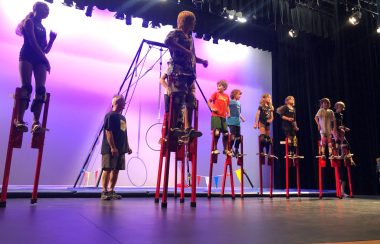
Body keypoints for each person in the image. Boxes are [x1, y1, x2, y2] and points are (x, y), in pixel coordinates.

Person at [164, 10, 208, 140]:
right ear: (185, 22)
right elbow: (167, 41)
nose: (194, 25)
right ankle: (173, 127)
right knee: (178, 98)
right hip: (178, 71)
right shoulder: (176, 33)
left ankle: (188, 127)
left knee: (190, 100)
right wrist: (185, 51)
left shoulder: (190, 38)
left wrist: (201, 61)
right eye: (192, 22)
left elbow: (192, 55)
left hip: (189, 74)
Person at [15, 1, 57, 132]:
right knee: (26, 87)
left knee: (41, 90)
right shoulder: (29, 22)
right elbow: (32, 43)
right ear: (36, 9)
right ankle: (19, 120)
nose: (47, 12)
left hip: (39, 59)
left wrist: (51, 40)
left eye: (48, 10)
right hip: (27, 55)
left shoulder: (42, 27)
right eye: (45, 9)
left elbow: (44, 49)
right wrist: (46, 60)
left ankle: (35, 123)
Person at [100, 95, 132, 200]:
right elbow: (108, 132)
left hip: (121, 149)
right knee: (107, 169)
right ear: (117, 103)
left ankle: (111, 190)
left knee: (116, 170)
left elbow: (124, 133)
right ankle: (104, 191)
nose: (124, 105)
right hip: (110, 149)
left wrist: (127, 146)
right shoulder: (110, 116)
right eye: (123, 103)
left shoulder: (123, 118)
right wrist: (113, 147)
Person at [334, 101, 354, 197]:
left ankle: (345, 155)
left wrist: (344, 128)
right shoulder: (334, 114)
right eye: (340, 107)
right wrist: (340, 128)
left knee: (346, 144)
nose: (341, 108)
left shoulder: (341, 115)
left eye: (342, 107)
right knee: (341, 173)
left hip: (340, 133)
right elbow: (334, 125)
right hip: (336, 132)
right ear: (337, 107)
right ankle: (341, 155)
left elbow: (340, 125)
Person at [208, 80, 230, 156]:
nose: (218, 87)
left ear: (224, 87)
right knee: (217, 132)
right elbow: (209, 101)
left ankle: (225, 149)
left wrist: (229, 113)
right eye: (217, 85)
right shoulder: (215, 94)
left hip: (223, 117)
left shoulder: (227, 96)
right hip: (216, 116)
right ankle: (215, 148)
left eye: (220, 86)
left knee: (226, 133)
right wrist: (212, 108)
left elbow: (227, 106)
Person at [227, 89, 245, 157]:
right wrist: (228, 113)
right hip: (231, 122)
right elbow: (227, 107)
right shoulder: (230, 102)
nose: (240, 96)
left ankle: (236, 149)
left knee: (238, 137)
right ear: (234, 95)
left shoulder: (239, 103)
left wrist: (242, 118)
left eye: (240, 94)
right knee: (233, 136)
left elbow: (239, 112)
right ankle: (230, 149)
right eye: (239, 94)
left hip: (237, 123)